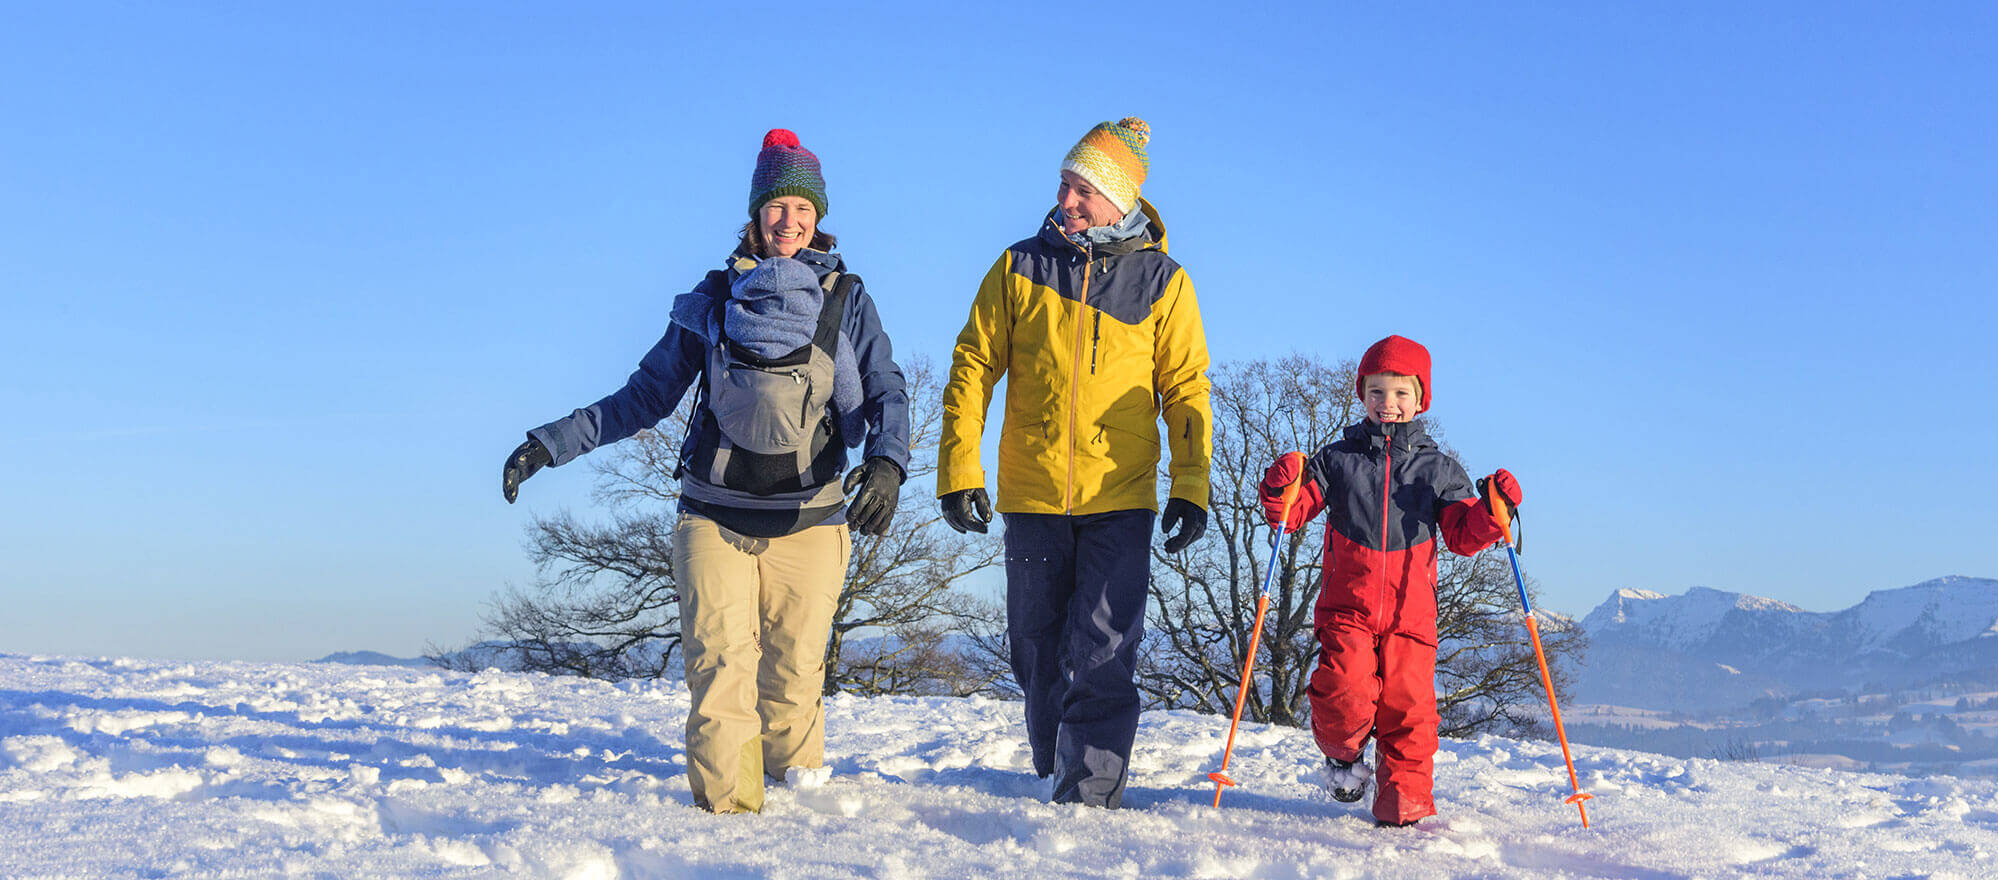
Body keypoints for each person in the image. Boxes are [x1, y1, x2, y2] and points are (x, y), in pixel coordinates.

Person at [500, 129, 909, 814]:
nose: (789, 221)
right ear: (756, 214)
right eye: (776, 206)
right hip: (713, 519)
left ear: (819, 216)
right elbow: (644, 396)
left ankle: (803, 829)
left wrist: (888, 462)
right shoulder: (713, 299)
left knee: (796, 681)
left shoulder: (849, 299)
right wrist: (550, 443)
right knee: (721, 674)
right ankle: (728, 832)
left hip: (811, 522)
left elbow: (885, 389)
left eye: (802, 208)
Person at [937, 117, 1212, 808]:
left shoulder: (1162, 282)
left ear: (1120, 199)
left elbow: (1186, 390)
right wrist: (959, 469)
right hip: (1031, 494)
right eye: (1065, 183)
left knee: (1102, 648)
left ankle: (1086, 795)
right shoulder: (1018, 266)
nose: (1068, 200)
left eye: (1084, 189)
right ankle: (1053, 759)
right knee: (1035, 646)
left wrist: (1191, 486)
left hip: (1119, 496)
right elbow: (972, 368)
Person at [1256, 334, 1522, 827]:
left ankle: (1405, 808)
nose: (1389, 404)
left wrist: (1492, 511)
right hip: (1348, 609)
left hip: (1411, 618)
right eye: (1377, 392)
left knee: (1410, 713)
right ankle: (1343, 758)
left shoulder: (1438, 471)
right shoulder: (1338, 461)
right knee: (1343, 690)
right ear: (1362, 395)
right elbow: (1290, 515)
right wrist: (1279, 489)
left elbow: (1463, 535)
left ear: (1421, 399)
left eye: (1401, 393)